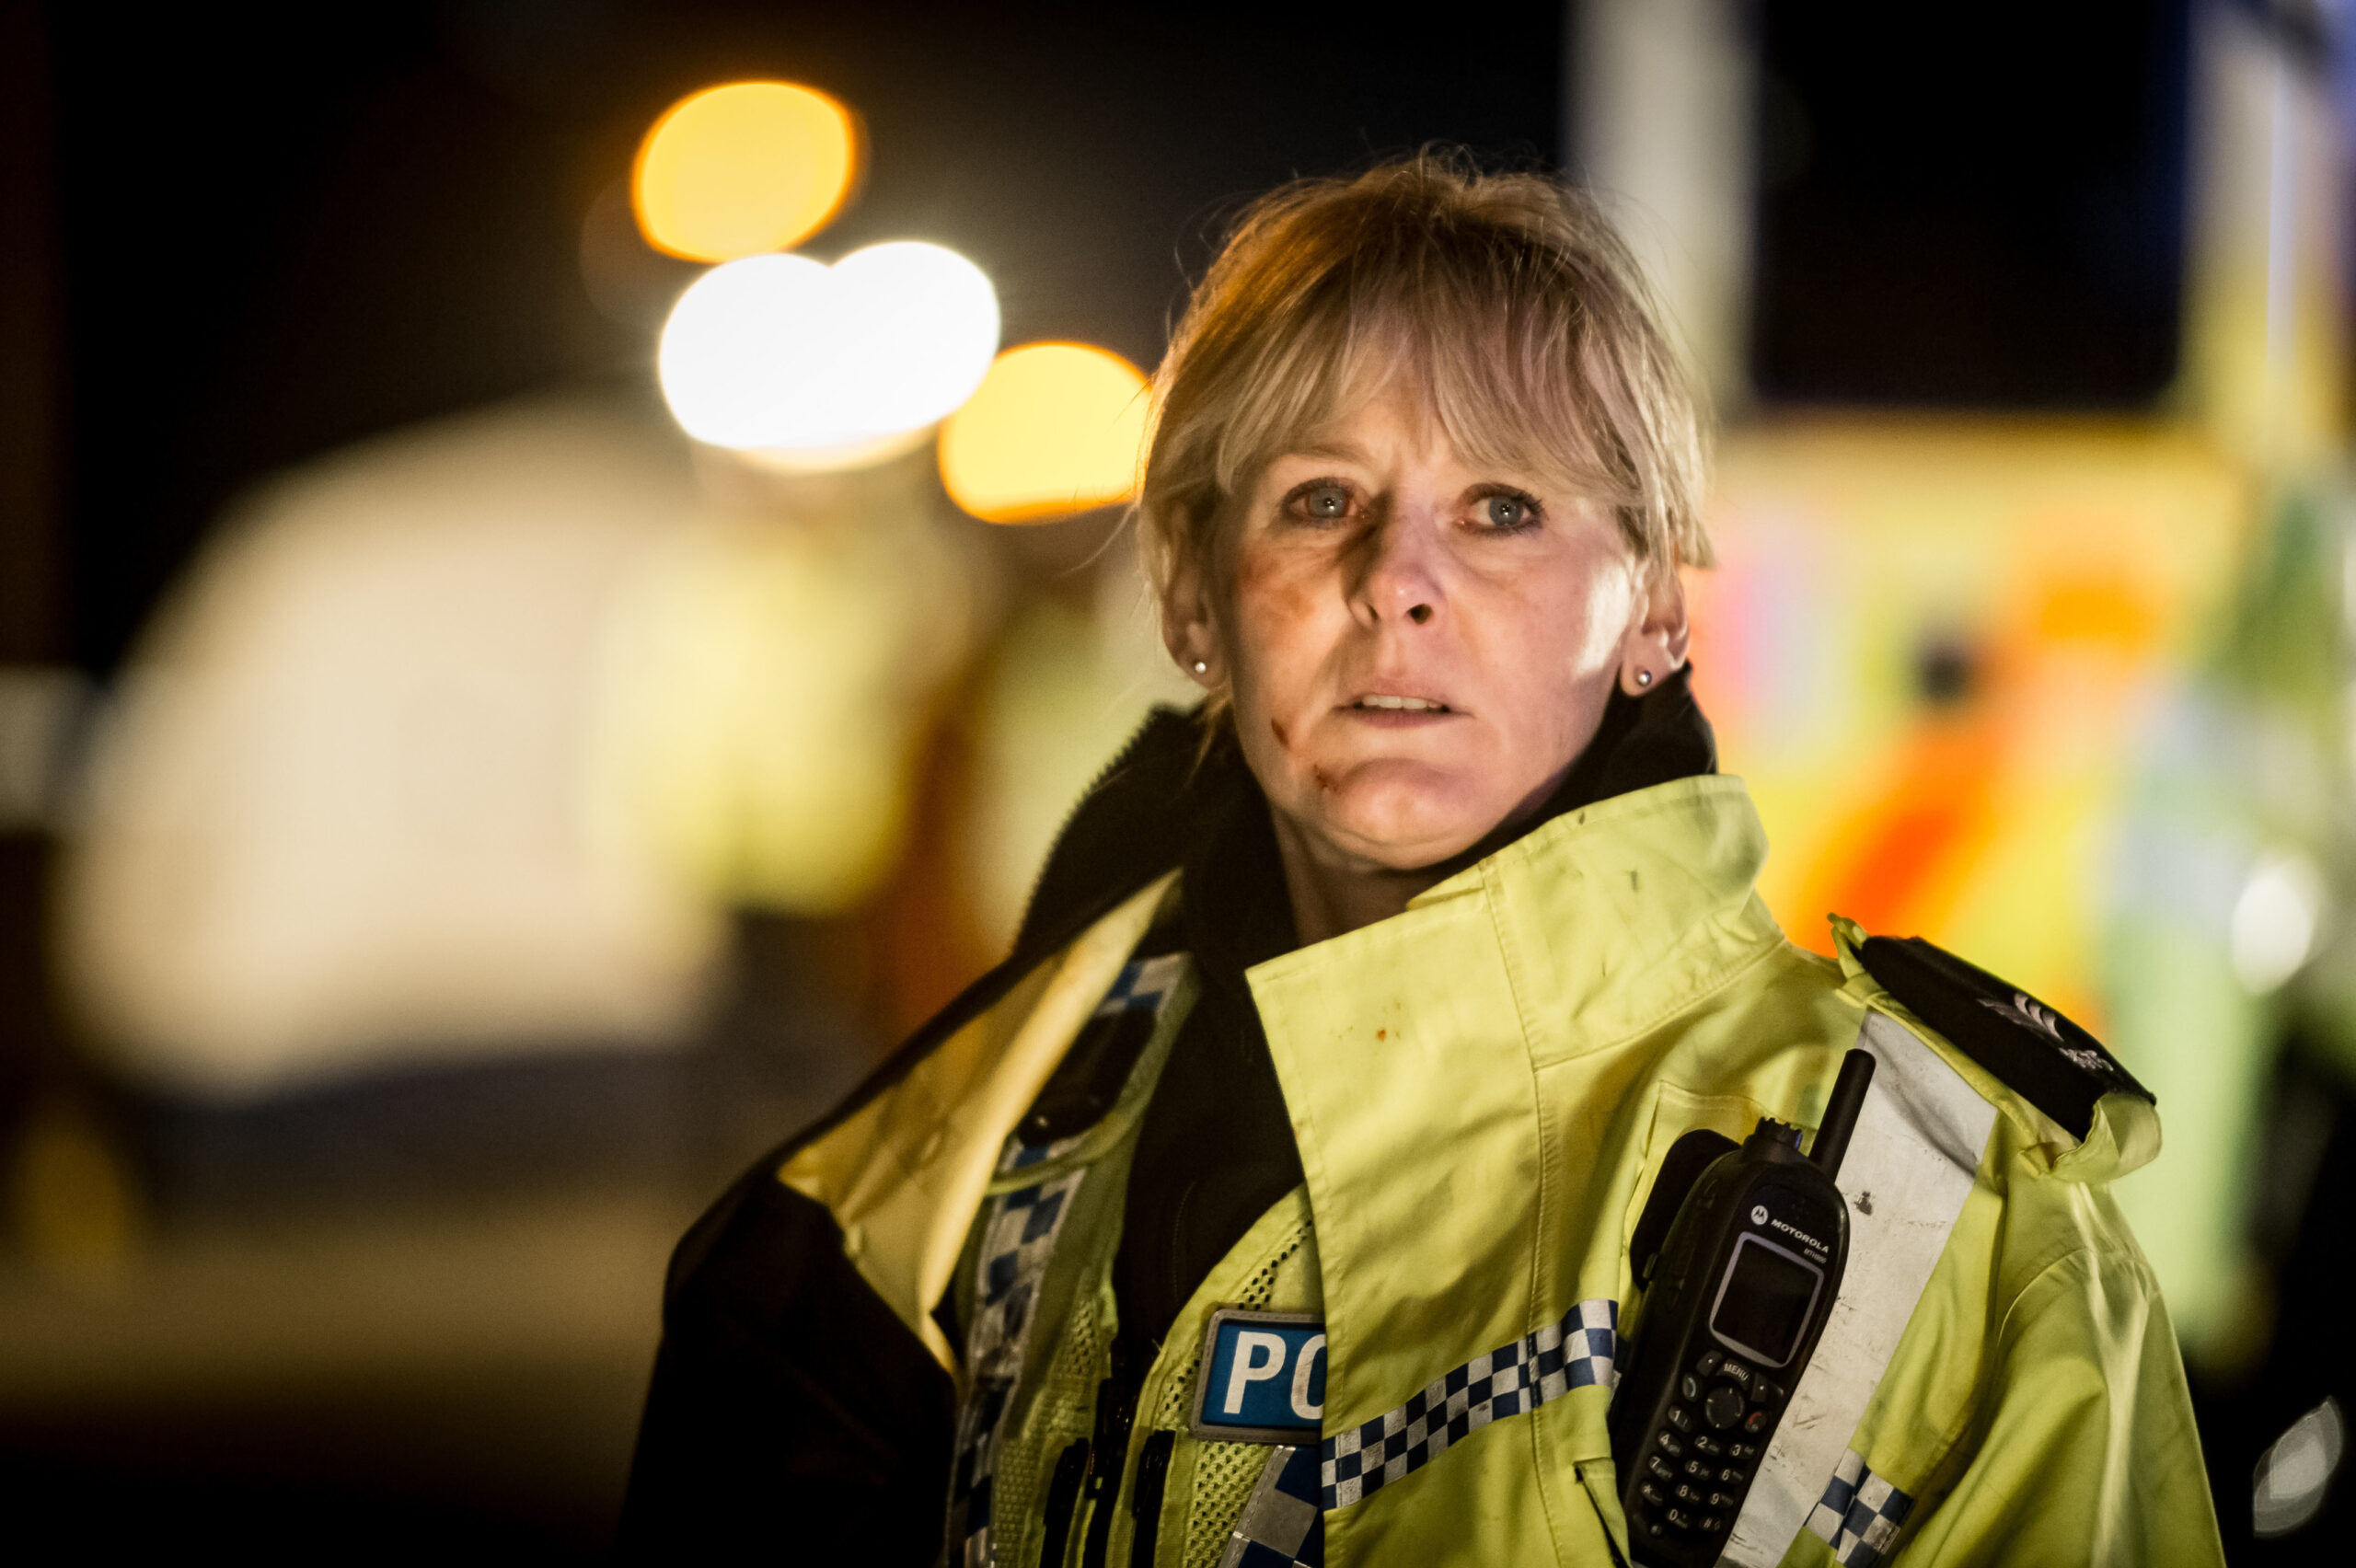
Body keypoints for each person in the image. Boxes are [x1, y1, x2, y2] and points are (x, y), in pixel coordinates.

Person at [620, 155, 2223, 1566]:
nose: (1397, 579)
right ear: (1189, 593)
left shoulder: (1965, 1238)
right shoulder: (1015, 1117)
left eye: (1503, 508)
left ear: (1656, 608)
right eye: (1321, 499)